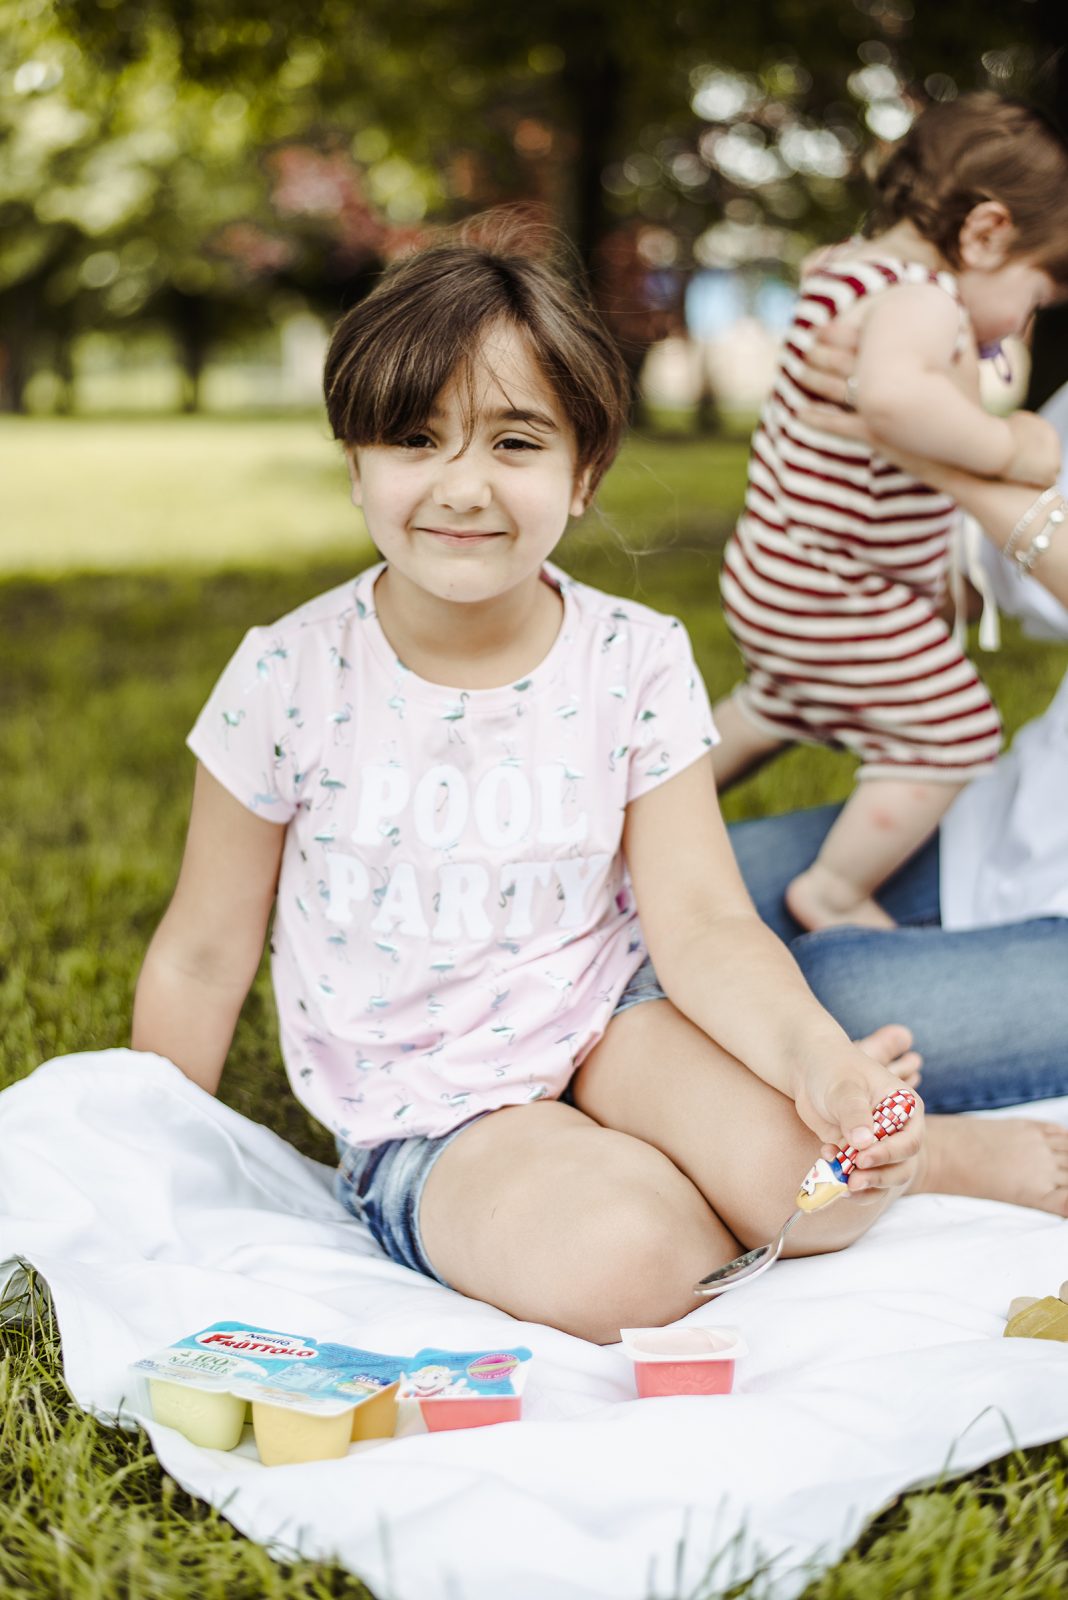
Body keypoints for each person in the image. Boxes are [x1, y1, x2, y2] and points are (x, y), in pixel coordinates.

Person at [131, 224, 1068, 1347]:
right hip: (429, 1106)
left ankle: (910, 1150)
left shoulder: (635, 657)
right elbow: (200, 950)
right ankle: (646, 1166)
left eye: (515, 442)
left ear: (582, 474)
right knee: (633, 1261)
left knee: (827, 1190)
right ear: (357, 464)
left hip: (608, 1024)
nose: (463, 486)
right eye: (415, 438)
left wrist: (816, 1058)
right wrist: (153, 1173)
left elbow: (708, 922)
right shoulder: (287, 676)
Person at [711, 94, 1068, 935]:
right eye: (1035, 294)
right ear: (986, 234)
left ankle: (633, 816)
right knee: (954, 730)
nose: (1024, 322)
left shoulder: (845, 269)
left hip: (786, 573)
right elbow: (894, 399)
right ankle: (831, 892)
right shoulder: (922, 299)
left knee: (778, 703)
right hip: (833, 589)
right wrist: (1009, 448)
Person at [729, 332, 1068, 1117]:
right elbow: (980, 567)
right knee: (658, 904)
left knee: (809, 998)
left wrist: (931, 450)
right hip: (993, 824)